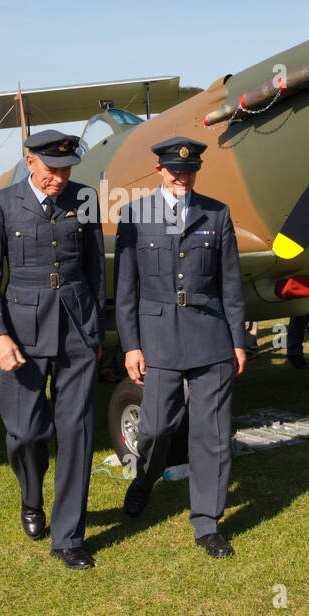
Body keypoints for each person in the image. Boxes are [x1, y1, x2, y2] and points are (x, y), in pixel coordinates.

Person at [0, 130, 104, 571]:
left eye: (67, 170)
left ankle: (69, 537)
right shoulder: (2, 203)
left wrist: (97, 331)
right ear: (29, 161)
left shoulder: (84, 197)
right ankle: (32, 496)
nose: (60, 179)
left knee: (78, 433)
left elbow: (94, 268)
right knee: (27, 432)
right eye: (52, 170)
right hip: (22, 335)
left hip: (77, 331)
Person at [115, 136, 246, 559]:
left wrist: (238, 341)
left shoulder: (217, 213)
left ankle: (207, 522)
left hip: (210, 336)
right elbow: (126, 291)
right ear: (160, 171)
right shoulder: (134, 216)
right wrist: (131, 345)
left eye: (189, 172)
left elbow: (231, 284)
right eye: (174, 171)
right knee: (156, 427)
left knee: (213, 435)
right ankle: (143, 479)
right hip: (158, 339)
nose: (182, 178)